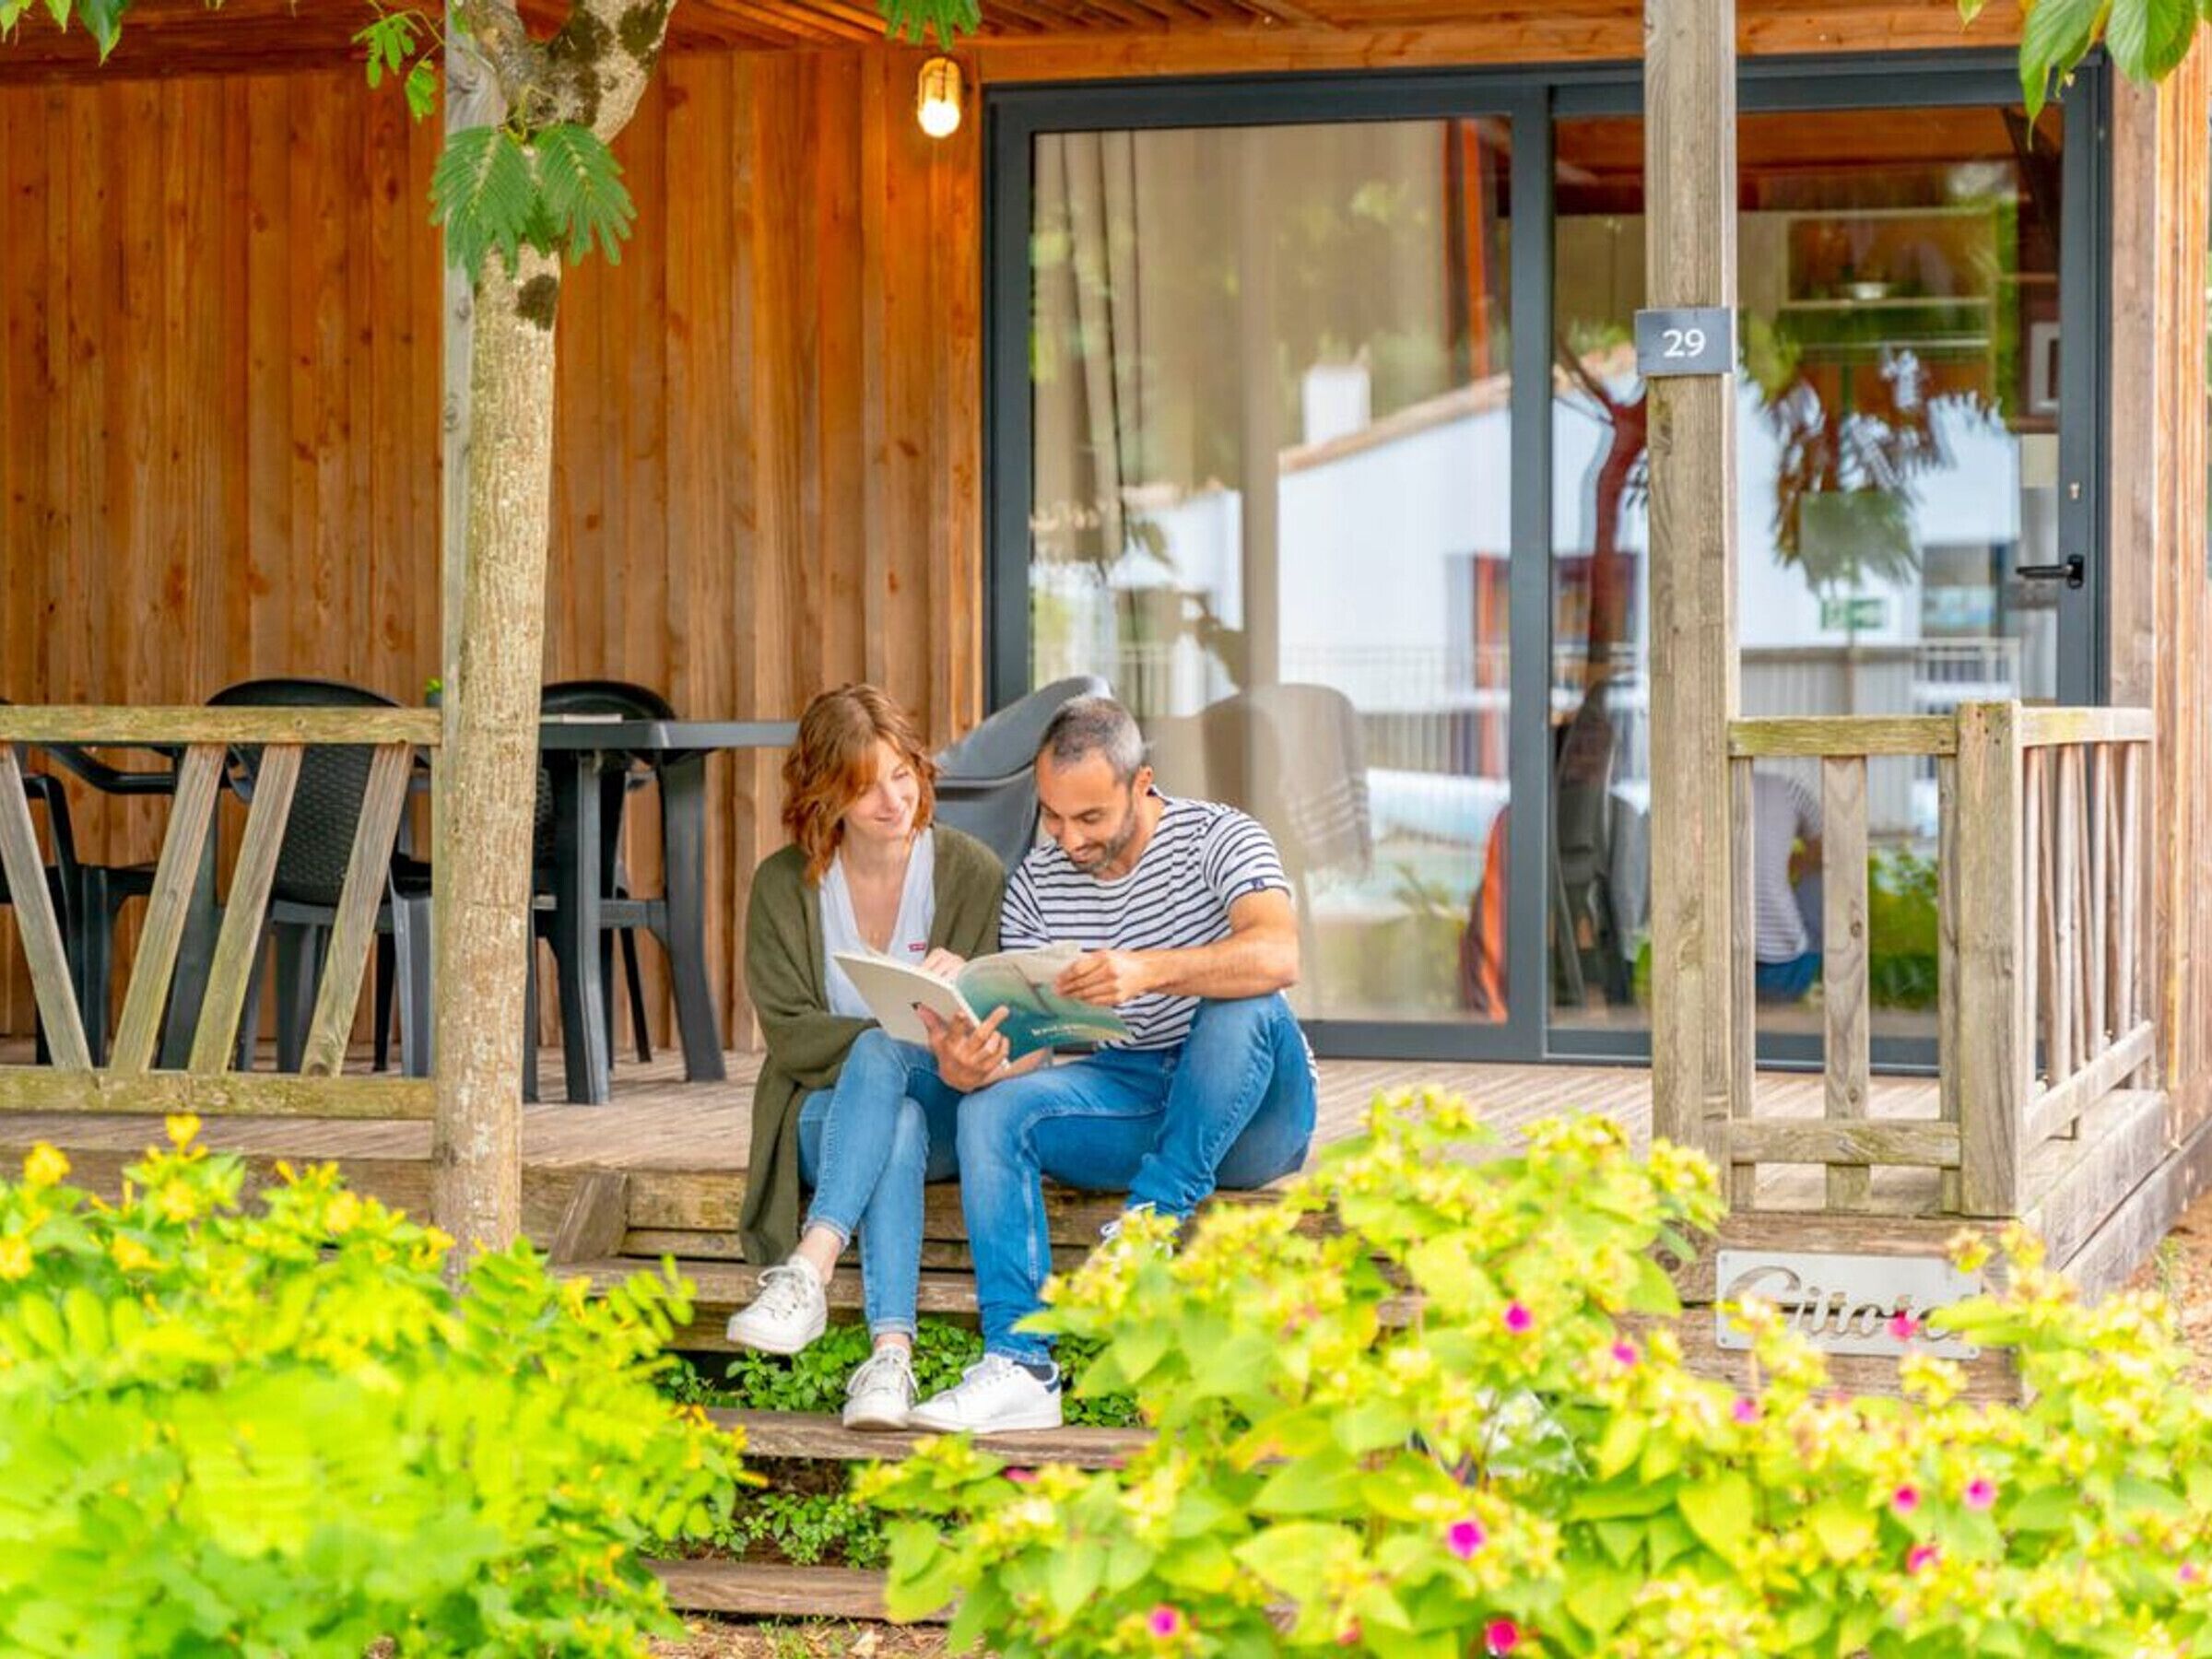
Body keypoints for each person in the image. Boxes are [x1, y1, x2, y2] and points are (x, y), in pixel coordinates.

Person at [904, 694, 1318, 1434]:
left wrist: (1151, 971)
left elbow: (1280, 954)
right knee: (991, 1111)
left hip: (1253, 1109)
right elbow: (1032, 1048)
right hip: (1129, 1088)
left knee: (1242, 999)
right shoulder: (1035, 881)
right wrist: (974, 1065)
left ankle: (1150, 1223)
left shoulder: (1222, 837)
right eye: (1053, 816)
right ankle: (1022, 1363)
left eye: (1089, 818)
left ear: (1142, 784)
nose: (1068, 839)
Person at [730, 685, 1004, 1430]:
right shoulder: (786, 886)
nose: (890, 801)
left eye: (901, 776)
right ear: (825, 796)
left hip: (952, 1104)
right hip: (823, 1118)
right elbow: (789, 1033)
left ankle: (810, 1268)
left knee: (903, 1080)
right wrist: (897, 1026)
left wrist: (963, 996)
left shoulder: (970, 871)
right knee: (896, 1115)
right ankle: (890, 1359)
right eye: (862, 786)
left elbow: (999, 1024)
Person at [1752, 768, 1824, 1002]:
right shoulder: (1787, 789)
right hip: (1784, 954)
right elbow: (1830, 845)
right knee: (1823, 875)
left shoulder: (1707, 790)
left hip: (1720, 950)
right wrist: (1787, 865)